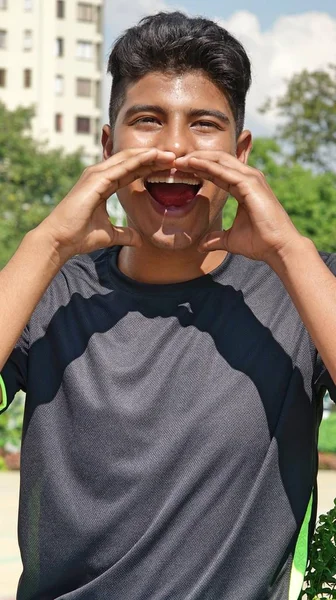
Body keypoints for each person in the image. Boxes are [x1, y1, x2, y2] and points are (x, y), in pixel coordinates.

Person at [0, 10, 335, 600]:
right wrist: (45, 243)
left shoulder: (302, 292)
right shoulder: (49, 291)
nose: (175, 150)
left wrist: (289, 250)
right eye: (148, 121)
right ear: (107, 146)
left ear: (241, 151)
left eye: (205, 124)